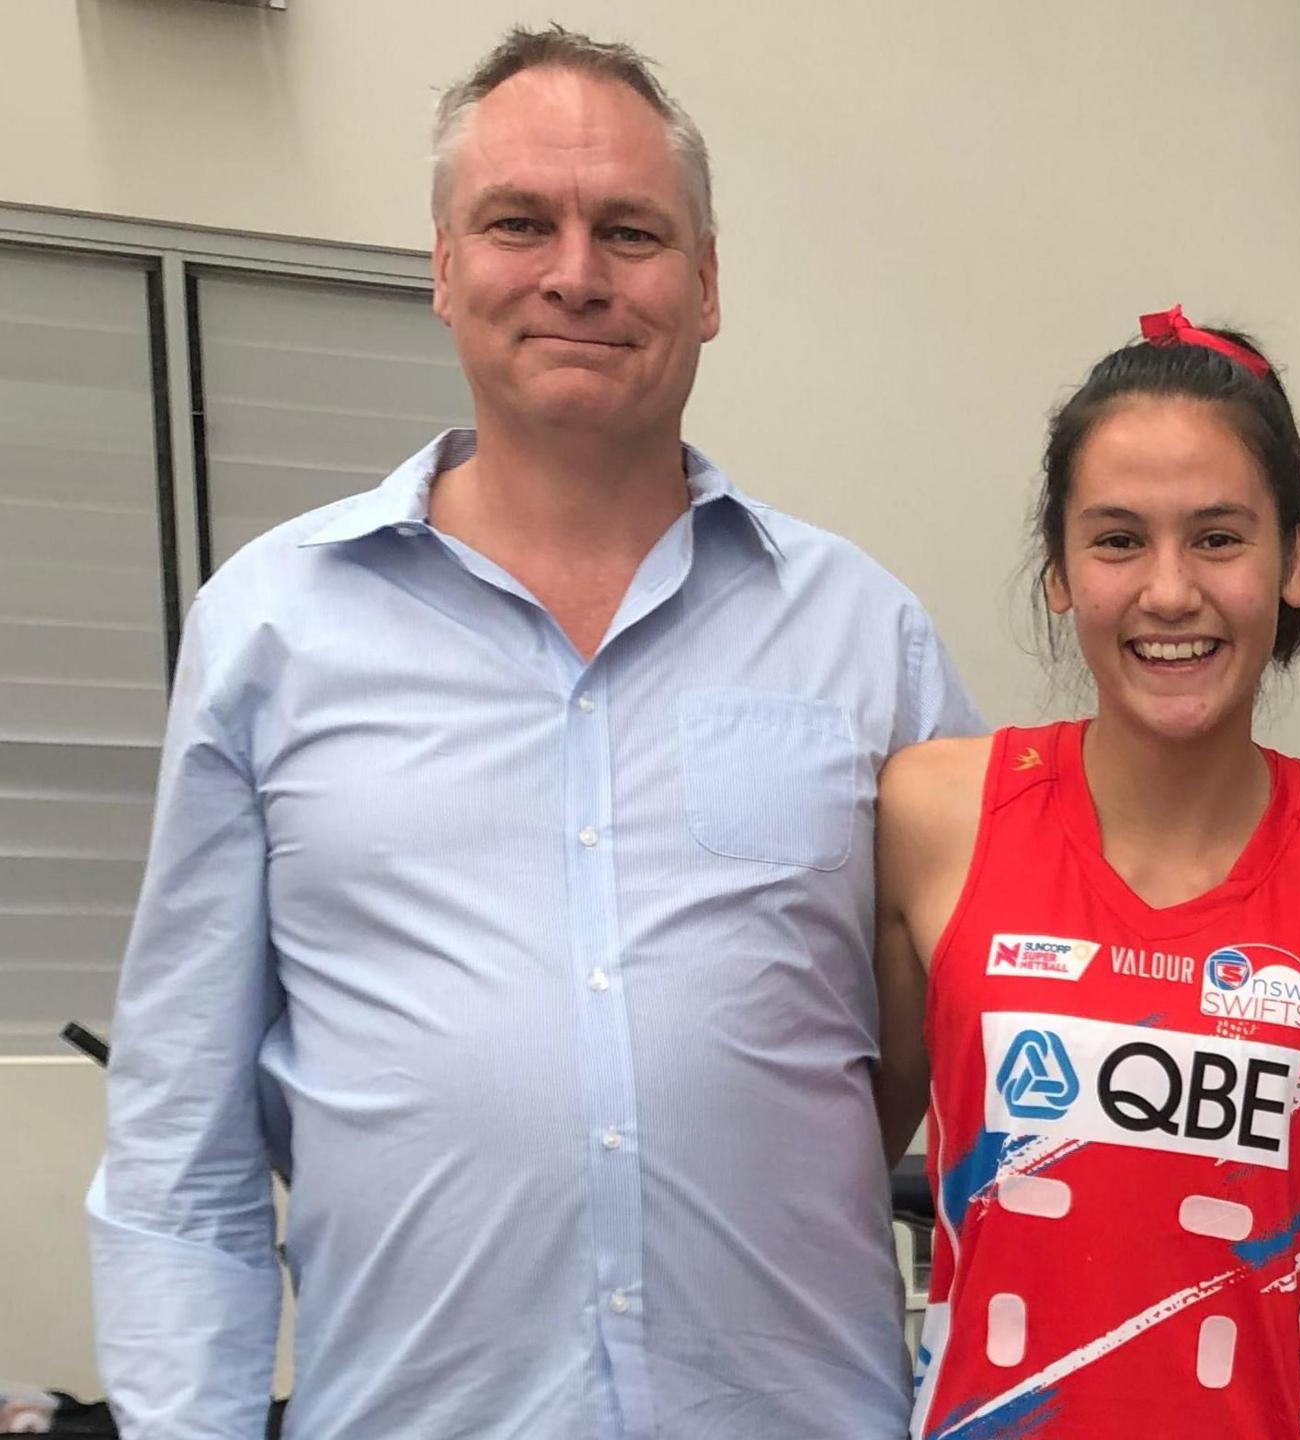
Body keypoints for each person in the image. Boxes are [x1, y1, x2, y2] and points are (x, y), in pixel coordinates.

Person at [86, 27, 976, 1438]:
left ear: (708, 284)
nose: (576, 273)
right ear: (443, 266)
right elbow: (177, 1156)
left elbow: (1009, 1048)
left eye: (631, 230)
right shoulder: (270, 632)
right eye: (520, 223)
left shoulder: (869, 641)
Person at [872, 307, 1300, 1440]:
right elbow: (850, 1158)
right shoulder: (936, 815)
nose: (1168, 591)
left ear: (1294, 560)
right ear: (1058, 572)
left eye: (1219, 538)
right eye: (1118, 539)